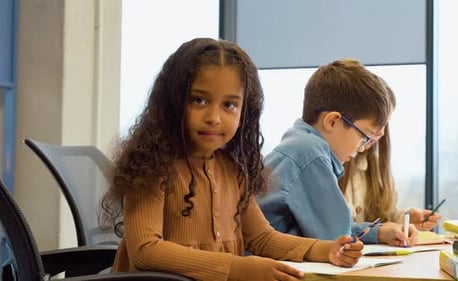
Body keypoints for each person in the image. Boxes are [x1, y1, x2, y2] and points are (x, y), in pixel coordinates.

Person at [100, 38, 363, 281]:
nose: (214, 117)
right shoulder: (152, 166)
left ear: (244, 112)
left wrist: (325, 250)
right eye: (199, 100)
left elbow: (261, 238)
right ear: (173, 102)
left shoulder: (233, 169)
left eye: (229, 105)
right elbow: (146, 250)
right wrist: (236, 268)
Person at [257, 59, 418, 247]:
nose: (362, 148)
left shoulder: (299, 143)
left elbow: (331, 229)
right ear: (332, 121)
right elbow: (338, 238)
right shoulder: (311, 154)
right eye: (364, 137)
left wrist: (379, 232)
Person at [339, 123, 442, 231]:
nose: (381, 132)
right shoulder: (329, 167)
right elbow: (341, 228)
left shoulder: (377, 168)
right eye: (377, 120)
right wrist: (380, 232)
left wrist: (405, 219)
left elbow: (384, 215)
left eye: (384, 122)